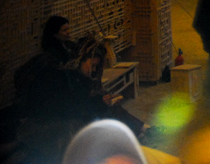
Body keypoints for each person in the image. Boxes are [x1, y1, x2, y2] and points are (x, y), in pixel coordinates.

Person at [18, 35, 146, 164]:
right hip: (47, 121)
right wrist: (100, 103)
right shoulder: (63, 77)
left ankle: (139, 130)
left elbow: (82, 103)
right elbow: (73, 109)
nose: (94, 70)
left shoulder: (78, 78)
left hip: (63, 116)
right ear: (82, 60)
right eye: (92, 65)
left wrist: (101, 101)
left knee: (111, 110)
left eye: (96, 67)